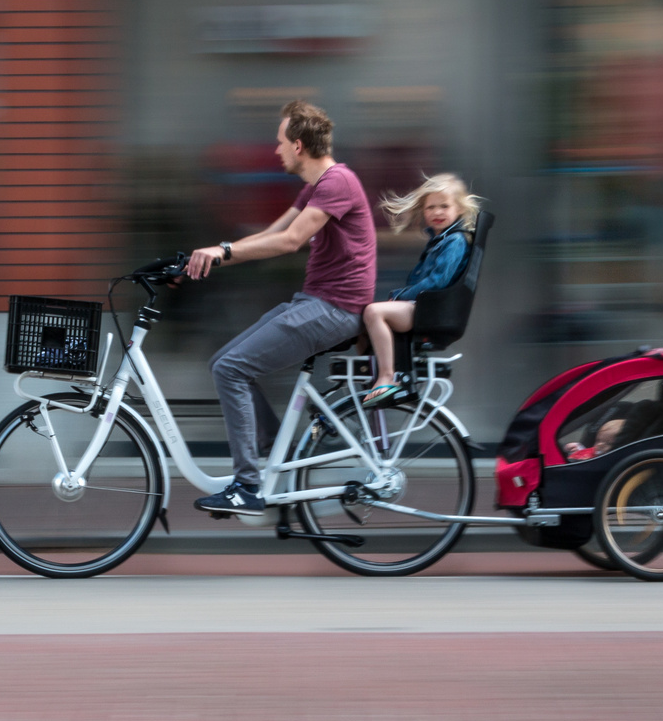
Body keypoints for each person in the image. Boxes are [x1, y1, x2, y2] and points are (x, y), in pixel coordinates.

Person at [184, 100, 376, 517]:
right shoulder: (316, 185)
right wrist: (207, 259)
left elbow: (290, 242)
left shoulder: (336, 182)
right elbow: (272, 233)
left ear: (300, 146)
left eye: (280, 143)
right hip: (316, 302)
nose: (276, 151)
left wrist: (222, 250)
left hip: (335, 308)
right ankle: (274, 452)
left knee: (231, 369)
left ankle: (247, 486)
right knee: (224, 362)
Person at [358, 174, 483, 406]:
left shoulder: (454, 241)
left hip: (430, 311)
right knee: (363, 321)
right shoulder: (439, 240)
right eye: (431, 207)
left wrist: (399, 296)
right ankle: (375, 375)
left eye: (444, 206)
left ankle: (387, 377)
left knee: (373, 313)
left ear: (458, 209)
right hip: (427, 307)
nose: (437, 212)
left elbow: (437, 282)